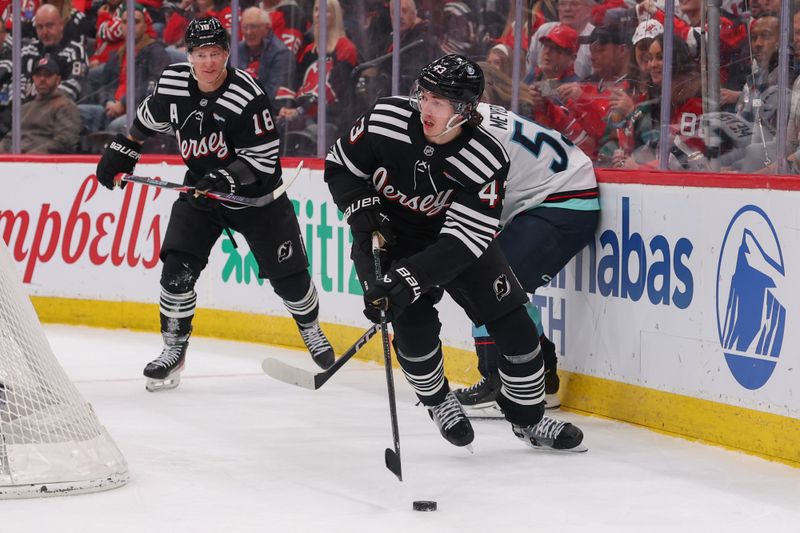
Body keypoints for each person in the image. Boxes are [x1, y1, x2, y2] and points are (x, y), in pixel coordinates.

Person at [324, 54, 585, 452]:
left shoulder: (487, 156)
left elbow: (467, 238)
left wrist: (410, 278)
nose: (425, 108)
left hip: (454, 242)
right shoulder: (384, 120)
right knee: (413, 329)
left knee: (515, 327)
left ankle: (529, 419)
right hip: (386, 237)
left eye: (438, 102)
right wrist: (360, 207)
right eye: (424, 96)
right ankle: (438, 401)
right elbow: (340, 165)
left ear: (464, 110)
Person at [94, 17, 336, 392]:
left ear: (227, 53)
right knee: (176, 270)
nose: (208, 63)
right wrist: (126, 148)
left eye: (216, 54)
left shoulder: (247, 94)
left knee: (290, 280)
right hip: (201, 194)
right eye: (201, 54)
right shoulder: (174, 81)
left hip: (256, 198)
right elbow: (148, 116)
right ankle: (174, 349)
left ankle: (310, 327)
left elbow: (265, 156)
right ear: (189, 55)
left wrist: (226, 177)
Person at [452, 64, 599, 417]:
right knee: (497, 283)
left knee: (489, 282)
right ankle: (539, 378)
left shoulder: (473, 136)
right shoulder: (469, 120)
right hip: (550, 197)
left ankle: (500, 380)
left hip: (563, 201)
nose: (427, 108)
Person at [0, 53, 81, 153]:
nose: (42, 79)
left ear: (58, 80)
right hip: (17, 161)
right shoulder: (25, 108)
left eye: (48, 75)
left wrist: (33, 156)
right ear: (33, 78)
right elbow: (9, 138)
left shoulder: (65, 106)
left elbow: (65, 141)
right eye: (38, 75)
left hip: (44, 163)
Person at [236, 6, 291, 105]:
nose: (248, 32)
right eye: (245, 27)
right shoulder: (237, 50)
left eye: (253, 27)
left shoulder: (281, 54)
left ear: (267, 28)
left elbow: (273, 93)